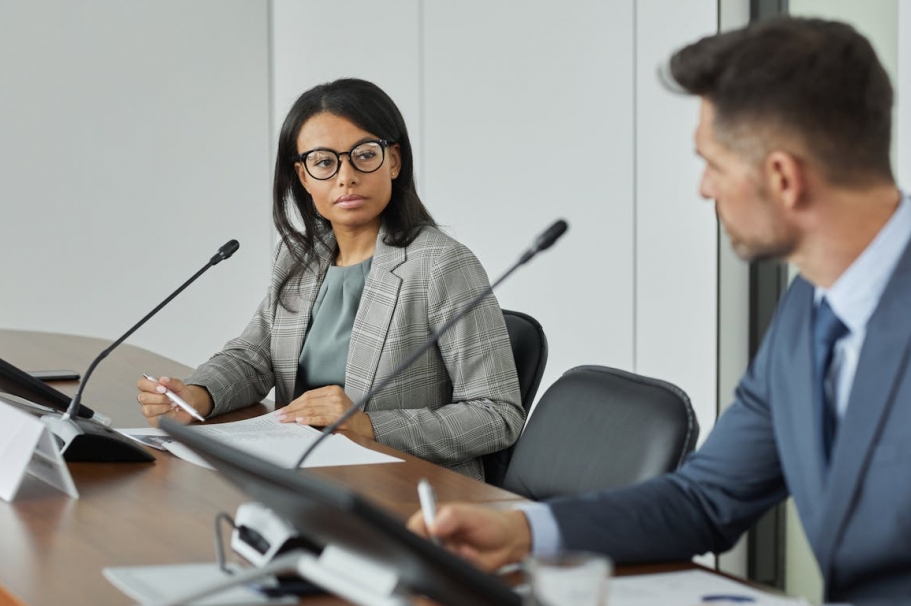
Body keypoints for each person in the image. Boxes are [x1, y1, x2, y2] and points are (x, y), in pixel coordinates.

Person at [408, 17, 911, 603]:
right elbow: (707, 497)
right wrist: (523, 529)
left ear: (783, 178)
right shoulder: (810, 308)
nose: (704, 189)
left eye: (714, 164)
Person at [136, 78, 524, 480]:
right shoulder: (299, 258)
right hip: (307, 478)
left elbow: (497, 414)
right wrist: (197, 395)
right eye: (324, 162)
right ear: (303, 177)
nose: (346, 177)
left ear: (393, 160)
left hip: (409, 489)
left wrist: (369, 426)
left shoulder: (441, 264)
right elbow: (254, 357)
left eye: (363, 155)